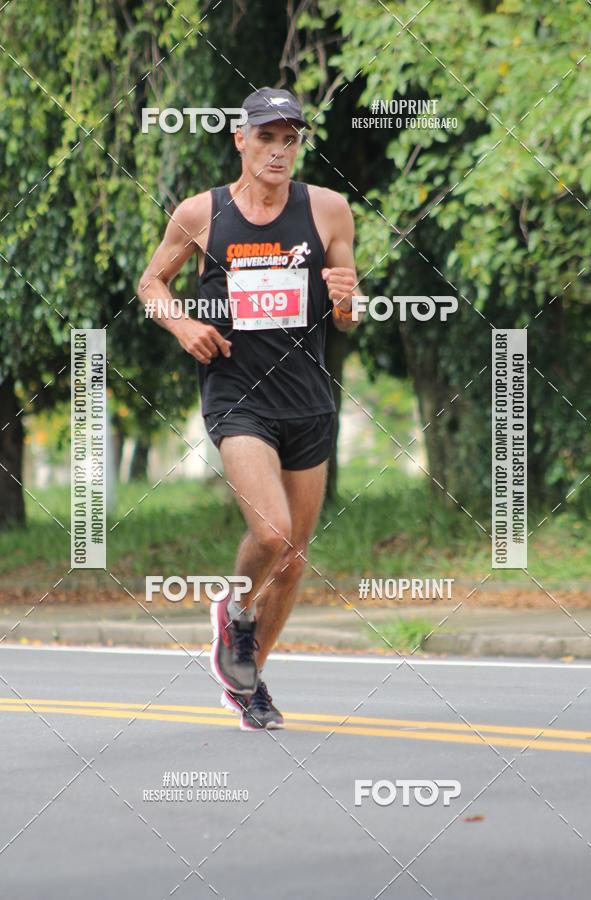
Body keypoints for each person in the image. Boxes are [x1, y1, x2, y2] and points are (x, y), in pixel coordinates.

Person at [138, 86, 363, 730]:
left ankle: (248, 680)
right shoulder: (201, 214)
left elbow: (346, 319)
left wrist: (349, 299)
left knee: (293, 560)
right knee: (271, 533)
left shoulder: (329, 211)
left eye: (290, 137)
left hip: (309, 401)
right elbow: (152, 283)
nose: (279, 149)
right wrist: (184, 328)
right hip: (237, 397)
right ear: (241, 140)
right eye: (266, 136)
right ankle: (233, 609)